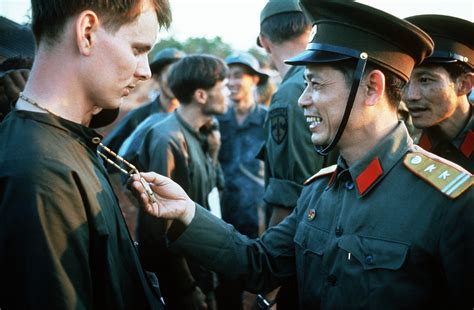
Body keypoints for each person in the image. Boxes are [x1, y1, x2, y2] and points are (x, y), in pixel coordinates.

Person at [131, 1, 473, 309]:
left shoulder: (451, 203)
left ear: (372, 87)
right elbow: (259, 264)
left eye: (317, 84)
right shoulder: (318, 190)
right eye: (305, 83)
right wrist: (187, 212)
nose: (302, 99)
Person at [0, 0, 172, 308]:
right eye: (137, 49)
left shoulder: (65, 140)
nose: (146, 71)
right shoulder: (41, 174)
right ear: (87, 32)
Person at [256, 0, 339, 306]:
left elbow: (290, 198)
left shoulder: (291, 93)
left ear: (265, 42)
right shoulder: (331, 82)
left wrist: (268, 288)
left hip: (302, 257)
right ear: (311, 29)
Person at [133, 54, 229, 309]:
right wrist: (185, 288)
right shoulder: (169, 140)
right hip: (187, 282)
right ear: (201, 95)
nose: (228, 93)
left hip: (204, 269)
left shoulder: (204, 133)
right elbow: (158, 229)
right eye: (222, 87)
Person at [215, 52, 268, 309]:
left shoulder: (267, 120)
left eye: (239, 76)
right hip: (223, 210)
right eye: (228, 77)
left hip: (257, 213)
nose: (232, 82)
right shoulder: (217, 120)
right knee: (226, 284)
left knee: (262, 279)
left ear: (255, 80)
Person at [403, 15, 473, 172]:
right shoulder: (405, 148)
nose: (410, 96)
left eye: (425, 80)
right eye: (405, 83)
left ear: (464, 84)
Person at [103, 47, 185, 153]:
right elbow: (106, 153)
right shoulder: (139, 117)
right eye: (171, 75)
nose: (177, 81)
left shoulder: (194, 119)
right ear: (157, 77)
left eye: (181, 75)